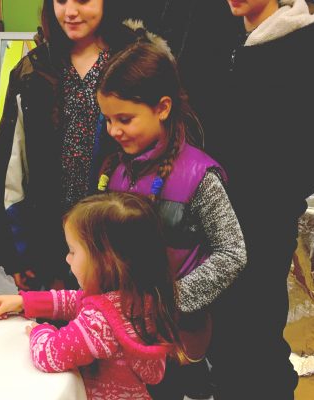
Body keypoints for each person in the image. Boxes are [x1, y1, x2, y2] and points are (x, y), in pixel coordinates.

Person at [95, 33, 247, 399]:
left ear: (162, 108)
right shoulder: (114, 170)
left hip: (175, 339)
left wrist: (169, 301)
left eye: (124, 119)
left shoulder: (200, 176)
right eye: (108, 120)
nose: (113, 131)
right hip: (123, 333)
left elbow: (232, 253)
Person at [203, 1, 314, 399]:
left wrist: (261, 204)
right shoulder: (229, 44)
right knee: (224, 348)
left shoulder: (305, 53)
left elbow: (312, 158)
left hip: (261, 229)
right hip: (217, 226)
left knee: (256, 350)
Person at [0, 0, 136, 291]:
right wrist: (16, 253)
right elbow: (11, 166)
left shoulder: (133, 63)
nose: (70, 12)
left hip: (119, 244)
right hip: (50, 246)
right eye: (60, 1)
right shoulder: (33, 71)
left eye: (82, 0)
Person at [0, 192, 184, 399]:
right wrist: (25, 301)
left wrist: (39, 331)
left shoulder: (99, 322)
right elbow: (74, 301)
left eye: (73, 251)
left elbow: (50, 355)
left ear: (106, 262)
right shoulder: (139, 299)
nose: (67, 258)